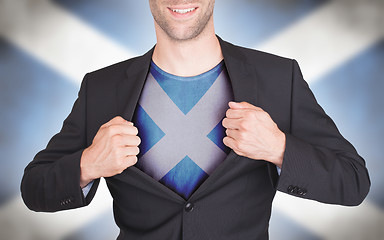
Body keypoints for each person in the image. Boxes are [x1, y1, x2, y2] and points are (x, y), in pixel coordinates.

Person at [21, 0, 370, 239]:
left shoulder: (279, 78)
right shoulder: (101, 88)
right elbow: (34, 188)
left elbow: (353, 181)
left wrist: (280, 148)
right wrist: (87, 164)